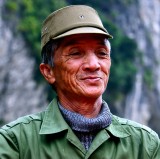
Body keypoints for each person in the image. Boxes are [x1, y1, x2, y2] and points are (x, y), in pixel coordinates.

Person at [0, 5, 159, 159]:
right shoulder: (15, 143)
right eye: (76, 53)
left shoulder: (144, 145)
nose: (93, 64)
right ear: (49, 72)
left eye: (101, 53)